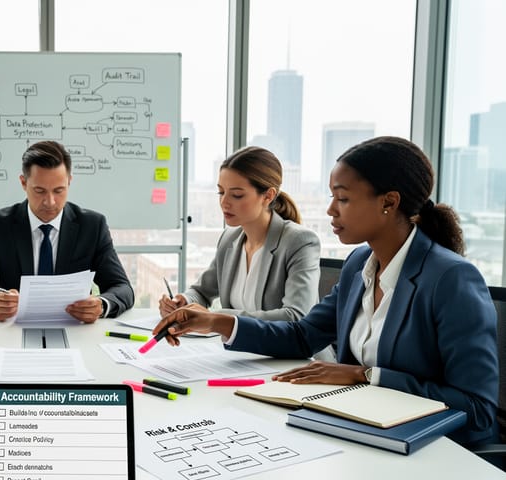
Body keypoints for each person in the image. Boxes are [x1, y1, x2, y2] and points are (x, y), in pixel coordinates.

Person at [154, 136, 498, 445]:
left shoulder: (450, 279)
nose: (331, 210)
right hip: (355, 437)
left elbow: (478, 410)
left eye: (343, 199)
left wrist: (366, 376)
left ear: (389, 203)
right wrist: (216, 323)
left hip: (427, 453)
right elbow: (303, 336)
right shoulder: (358, 264)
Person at [0, 140, 134, 323]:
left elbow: (122, 287)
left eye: (59, 190)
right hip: (11, 332)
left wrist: (101, 305)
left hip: (76, 332)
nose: (50, 202)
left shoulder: (92, 226)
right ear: (23, 182)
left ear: (69, 182)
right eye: (40, 191)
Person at [159, 146, 320, 321]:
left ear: (268, 196)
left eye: (236, 195)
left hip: (285, 349)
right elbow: (201, 291)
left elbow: (296, 316)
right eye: (221, 192)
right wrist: (183, 302)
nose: (224, 202)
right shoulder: (230, 239)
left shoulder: (299, 242)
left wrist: (216, 319)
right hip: (240, 348)